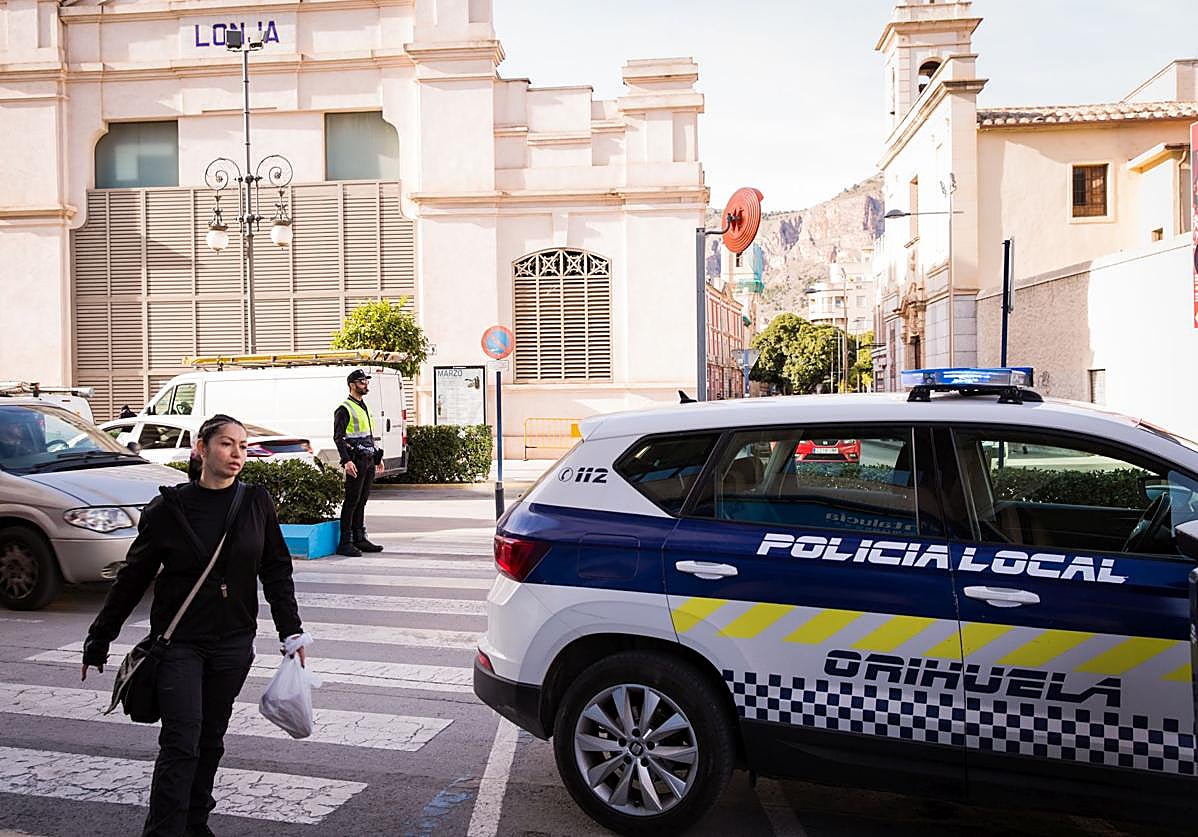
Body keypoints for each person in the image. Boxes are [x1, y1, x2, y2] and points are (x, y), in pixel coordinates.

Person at [80, 414, 304, 837]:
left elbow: (276, 570)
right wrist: (100, 637)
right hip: (179, 644)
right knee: (181, 743)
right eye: (226, 444)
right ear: (201, 449)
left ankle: (196, 824)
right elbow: (133, 576)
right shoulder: (168, 508)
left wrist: (291, 631)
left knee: (210, 740)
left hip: (234, 643)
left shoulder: (256, 502)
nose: (237, 454)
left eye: (242, 445)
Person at [332, 369, 385, 557]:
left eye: (366, 382)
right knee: (352, 501)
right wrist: (346, 460)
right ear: (352, 385)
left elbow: (368, 436)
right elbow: (338, 438)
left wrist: (378, 457)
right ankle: (345, 543)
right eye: (362, 382)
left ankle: (359, 538)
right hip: (355, 461)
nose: (365, 385)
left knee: (362, 501)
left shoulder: (364, 407)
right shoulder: (344, 409)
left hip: (368, 460)